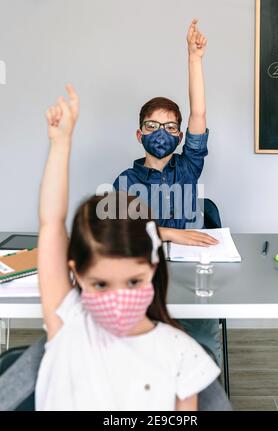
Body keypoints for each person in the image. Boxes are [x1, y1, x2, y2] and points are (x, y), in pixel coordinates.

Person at [35, 84, 220, 411]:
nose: (118, 297)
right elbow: (51, 225)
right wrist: (60, 144)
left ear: (152, 269)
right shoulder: (70, 331)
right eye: (101, 284)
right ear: (76, 274)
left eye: (133, 282)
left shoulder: (182, 352)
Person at [113, 20, 222, 366]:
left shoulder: (188, 168)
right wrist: (171, 233)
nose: (161, 132)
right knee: (135, 348)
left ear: (179, 137)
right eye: (152, 126)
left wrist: (194, 59)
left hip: (191, 276)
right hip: (143, 281)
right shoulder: (125, 181)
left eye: (170, 127)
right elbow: (121, 233)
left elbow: (199, 113)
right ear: (138, 135)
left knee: (201, 344)